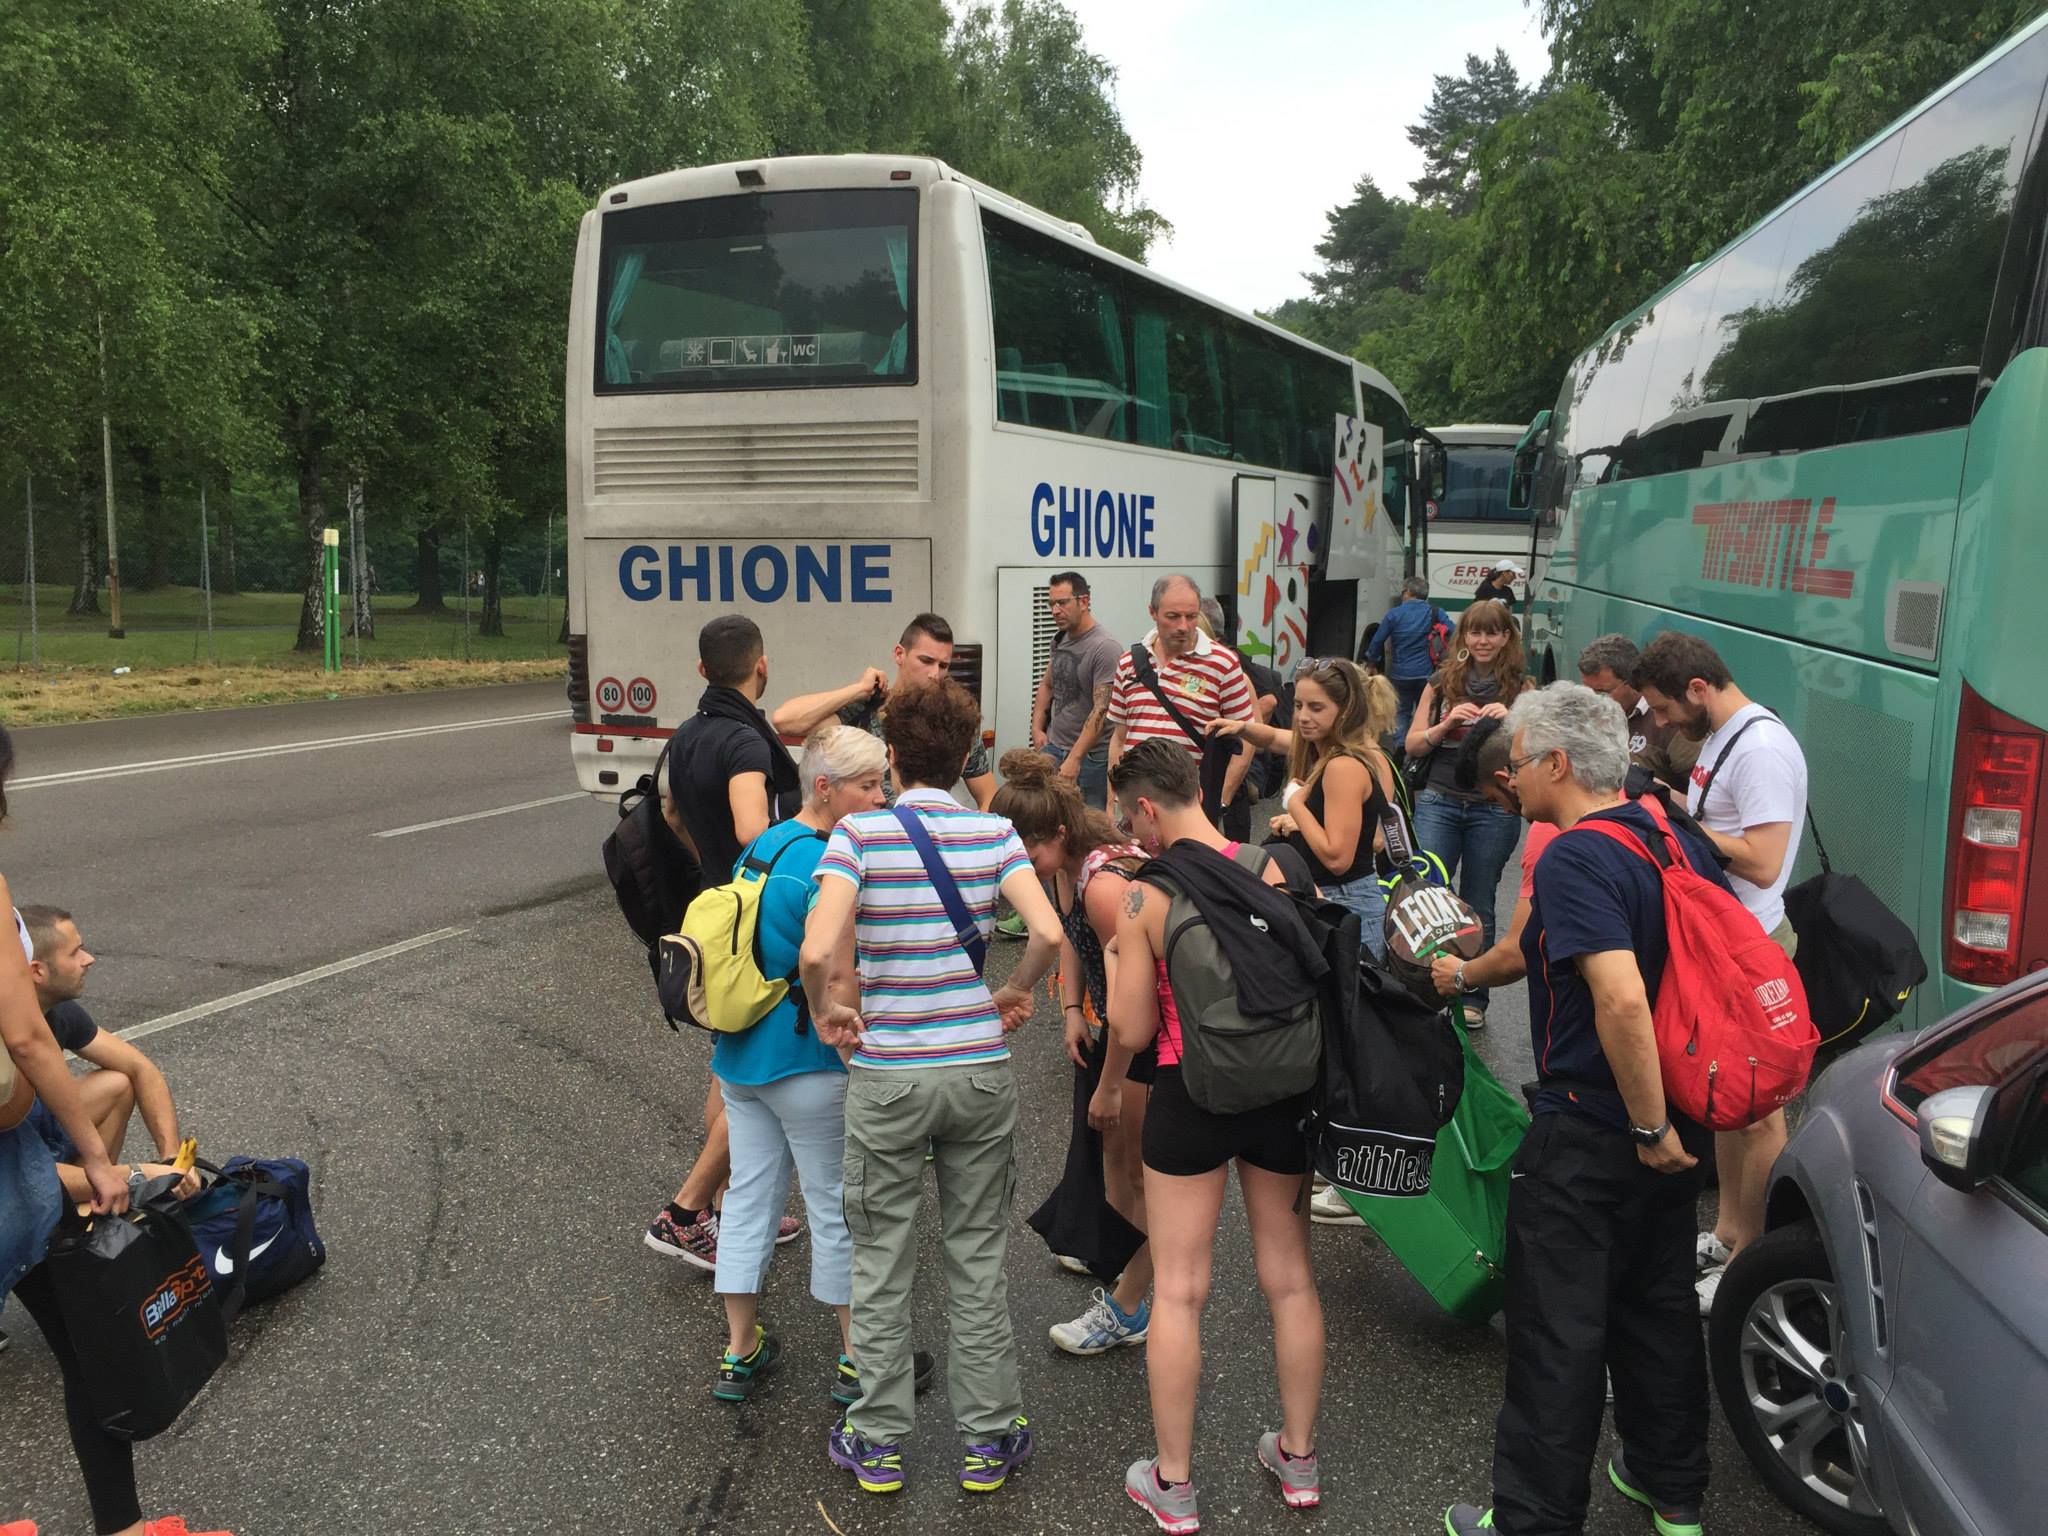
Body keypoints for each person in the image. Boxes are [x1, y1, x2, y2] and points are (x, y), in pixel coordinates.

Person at [1445, 682, 1720, 1536]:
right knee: (1658, 1308)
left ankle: (1532, 1519)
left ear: (1559, 764)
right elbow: (1544, 956)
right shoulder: (1671, 834)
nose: (1511, 777)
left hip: (1601, 1125)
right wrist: (1668, 1127)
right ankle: (1671, 1491)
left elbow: (1620, 997)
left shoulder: (1573, 857)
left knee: (1557, 1330)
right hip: (1683, 1111)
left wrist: (1645, 1126)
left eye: (1520, 762)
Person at [801, 679, 1062, 1497]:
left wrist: (829, 1011)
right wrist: (1015, 988)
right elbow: (1048, 931)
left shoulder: (859, 835)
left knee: (881, 1260)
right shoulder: (994, 833)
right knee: (976, 1256)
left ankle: (877, 1439)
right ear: (963, 756)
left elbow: (817, 951)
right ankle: (989, 1437)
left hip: (888, 1076)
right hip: (977, 1069)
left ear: (891, 755)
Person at [1, 726, 230, 1536]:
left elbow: (123, 1066)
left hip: (17, 1164)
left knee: (83, 1344)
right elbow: (26, 1039)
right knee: (87, 1347)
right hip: (10, 1171)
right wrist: (109, 1167)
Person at [1109, 740, 1327, 1531]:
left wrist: (1119, 958)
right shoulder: (1280, 866)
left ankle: (1173, 1483)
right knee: (1290, 1278)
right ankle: (1298, 1459)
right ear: (1197, 789)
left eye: (1128, 819)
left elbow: (1133, 1028)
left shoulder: (1146, 896)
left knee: (1179, 1288)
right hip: (1284, 1091)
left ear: (1145, 809)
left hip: (1191, 1096)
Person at [708, 725, 934, 1408]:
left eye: (883, 782)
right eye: (868, 785)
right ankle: (859, 1360)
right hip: (807, 1057)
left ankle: (740, 1351)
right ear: (826, 787)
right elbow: (836, 970)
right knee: (839, 1206)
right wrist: (857, 1044)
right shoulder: (832, 862)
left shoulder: (765, 845)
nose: (882, 796)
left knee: (748, 1198)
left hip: (740, 1053)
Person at [1632, 631, 1808, 1315]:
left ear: (1698, 688)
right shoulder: (1724, 736)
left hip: (1751, 947)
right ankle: (1730, 1231)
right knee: (1731, 1105)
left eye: (1665, 709)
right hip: (1728, 943)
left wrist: (1676, 826)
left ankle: (1747, 1261)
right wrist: (1670, 802)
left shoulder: (1759, 749)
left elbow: (1762, 862)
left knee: (1758, 1114)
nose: (1662, 723)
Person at [645, 615, 806, 1268]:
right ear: (760, 666)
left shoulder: (687, 735)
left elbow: (672, 814)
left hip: (709, 915)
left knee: (731, 1069)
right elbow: (751, 830)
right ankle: (685, 1212)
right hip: (751, 929)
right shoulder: (744, 741)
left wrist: (710, 867)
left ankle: (728, 1209)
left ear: (702, 669)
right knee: (755, 1079)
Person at [989, 751, 1153, 1358]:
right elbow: (1069, 936)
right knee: (1113, 1155)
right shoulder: (1067, 868)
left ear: (1057, 833)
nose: (1020, 870)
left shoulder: (1107, 887)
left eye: (1027, 855)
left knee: (1140, 1173)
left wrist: (1111, 1083)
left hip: (1145, 1039)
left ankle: (1132, 1302)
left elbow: (1140, 1002)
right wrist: (1070, 1009)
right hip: (1112, 1027)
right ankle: (1119, 1256)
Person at [1208, 659, 1399, 955]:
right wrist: (1242, 727)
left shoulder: (1343, 766)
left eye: (1316, 708)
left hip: (1345, 904)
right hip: (1327, 900)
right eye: (1298, 705)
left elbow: (1338, 858)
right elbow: (1274, 737)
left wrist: (1295, 805)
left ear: (1346, 710)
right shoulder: (1324, 751)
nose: (1303, 717)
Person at [1403, 599, 1532, 1029]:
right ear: (1464, 636)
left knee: (1479, 901)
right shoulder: (1442, 682)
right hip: (1439, 800)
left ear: (1506, 637)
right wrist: (1445, 725)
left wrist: (1511, 720)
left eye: (1492, 632)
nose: (1482, 641)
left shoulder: (1522, 688)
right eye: (1475, 632)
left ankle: (1474, 993)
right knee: (1430, 898)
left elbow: (1538, 750)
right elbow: (1412, 744)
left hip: (1493, 808)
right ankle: (1423, 987)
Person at [18, 908, 183, 1174]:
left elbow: (140, 1068)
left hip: (30, 1133)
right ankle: (97, 1188)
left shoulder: (57, 1011)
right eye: (74, 953)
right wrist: (139, 1175)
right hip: (10, 1161)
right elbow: (22, 1175)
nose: (89, 959)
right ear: (38, 971)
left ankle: (94, 1197)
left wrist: (171, 1159)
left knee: (117, 1084)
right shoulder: (9, 1038)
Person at [772, 613, 995, 809]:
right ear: (899, 654)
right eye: (926, 661)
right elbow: (785, 720)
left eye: (943, 665)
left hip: (927, 835)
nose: (934, 674)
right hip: (866, 835)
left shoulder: (953, 720)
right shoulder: (867, 708)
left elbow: (989, 797)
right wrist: (858, 689)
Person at [1105, 576, 1256, 824]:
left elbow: (1246, 740)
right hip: (1135, 806)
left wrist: (1220, 801)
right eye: (1173, 617)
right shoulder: (1128, 662)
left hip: (1189, 809)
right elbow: (1119, 738)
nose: (1184, 626)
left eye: (1191, 616)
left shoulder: (1223, 663)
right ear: (1152, 612)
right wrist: (1113, 801)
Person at [1031, 573, 1122, 812]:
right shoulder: (1060, 639)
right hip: (1054, 748)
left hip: (1091, 759)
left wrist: (1075, 758)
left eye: (1062, 603)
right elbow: (1048, 684)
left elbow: (1101, 710)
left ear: (1084, 602)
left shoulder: (1105, 648)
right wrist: (1037, 729)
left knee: (1087, 822)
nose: (1055, 611)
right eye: (1051, 604)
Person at [1576, 634, 1699, 792]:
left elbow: (1702, 797)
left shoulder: (1671, 722)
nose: (1593, 701)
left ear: (1632, 682)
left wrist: (1653, 789)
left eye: (1603, 692)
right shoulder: (1586, 716)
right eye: (1587, 692)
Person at [1366, 577, 1451, 741]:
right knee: (1425, 710)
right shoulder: (1435, 612)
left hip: (1400, 674)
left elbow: (1377, 641)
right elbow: (1453, 632)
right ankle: (1422, 744)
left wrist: (1372, 661)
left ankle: (1400, 746)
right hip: (1427, 674)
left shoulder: (1394, 614)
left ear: (1407, 592)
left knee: (1401, 712)